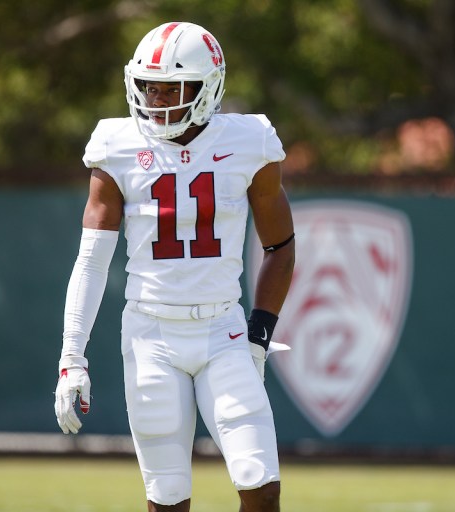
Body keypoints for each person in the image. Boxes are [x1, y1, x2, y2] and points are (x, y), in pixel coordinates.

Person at [54, 21, 295, 512]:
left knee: (260, 483)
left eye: (172, 89)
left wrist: (259, 335)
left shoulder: (251, 142)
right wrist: (71, 357)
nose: (156, 101)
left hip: (223, 331)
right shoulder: (116, 145)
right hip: (150, 335)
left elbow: (281, 246)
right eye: (149, 87)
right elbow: (92, 260)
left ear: (208, 88)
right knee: (167, 499)